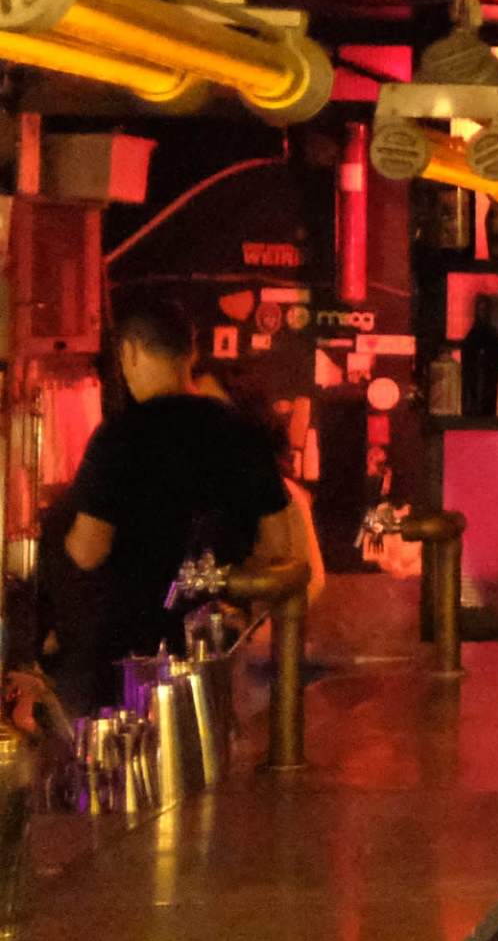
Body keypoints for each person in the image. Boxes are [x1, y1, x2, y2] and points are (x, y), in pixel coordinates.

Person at [38, 297, 303, 716]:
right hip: (210, 655)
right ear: (191, 352)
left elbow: (88, 552)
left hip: (127, 664)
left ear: (129, 352)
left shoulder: (118, 437)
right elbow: (278, 544)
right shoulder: (238, 432)